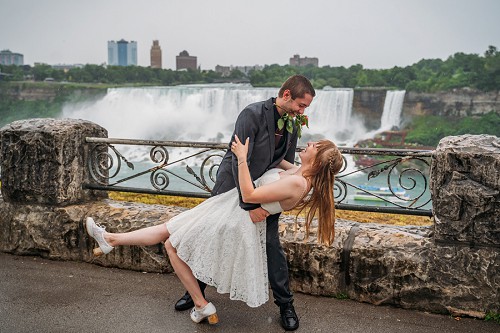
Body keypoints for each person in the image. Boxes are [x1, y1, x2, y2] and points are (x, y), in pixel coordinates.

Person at [86, 137, 343, 327]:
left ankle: (200, 303)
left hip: (235, 217)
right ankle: (110, 239)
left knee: (171, 243)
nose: (309, 143)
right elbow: (273, 162)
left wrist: (241, 157)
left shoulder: (298, 182)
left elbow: (250, 194)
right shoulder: (297, 172)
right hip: (230, 209)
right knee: (169, 230)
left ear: (318, 159)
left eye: (314, 146)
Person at [175, 74, 316, 331]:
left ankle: (286, 306)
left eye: (305, 107)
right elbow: (240, 159)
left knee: (271, 246)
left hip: (265, 191)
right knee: (211, 236)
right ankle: (195, 293)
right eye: (301, 105)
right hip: (233, 185)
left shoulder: (293, 123)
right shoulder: (251, 115)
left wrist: (302, 178)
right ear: (286, 95)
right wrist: (250, 206)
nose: (302, 111)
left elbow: (283, 159)